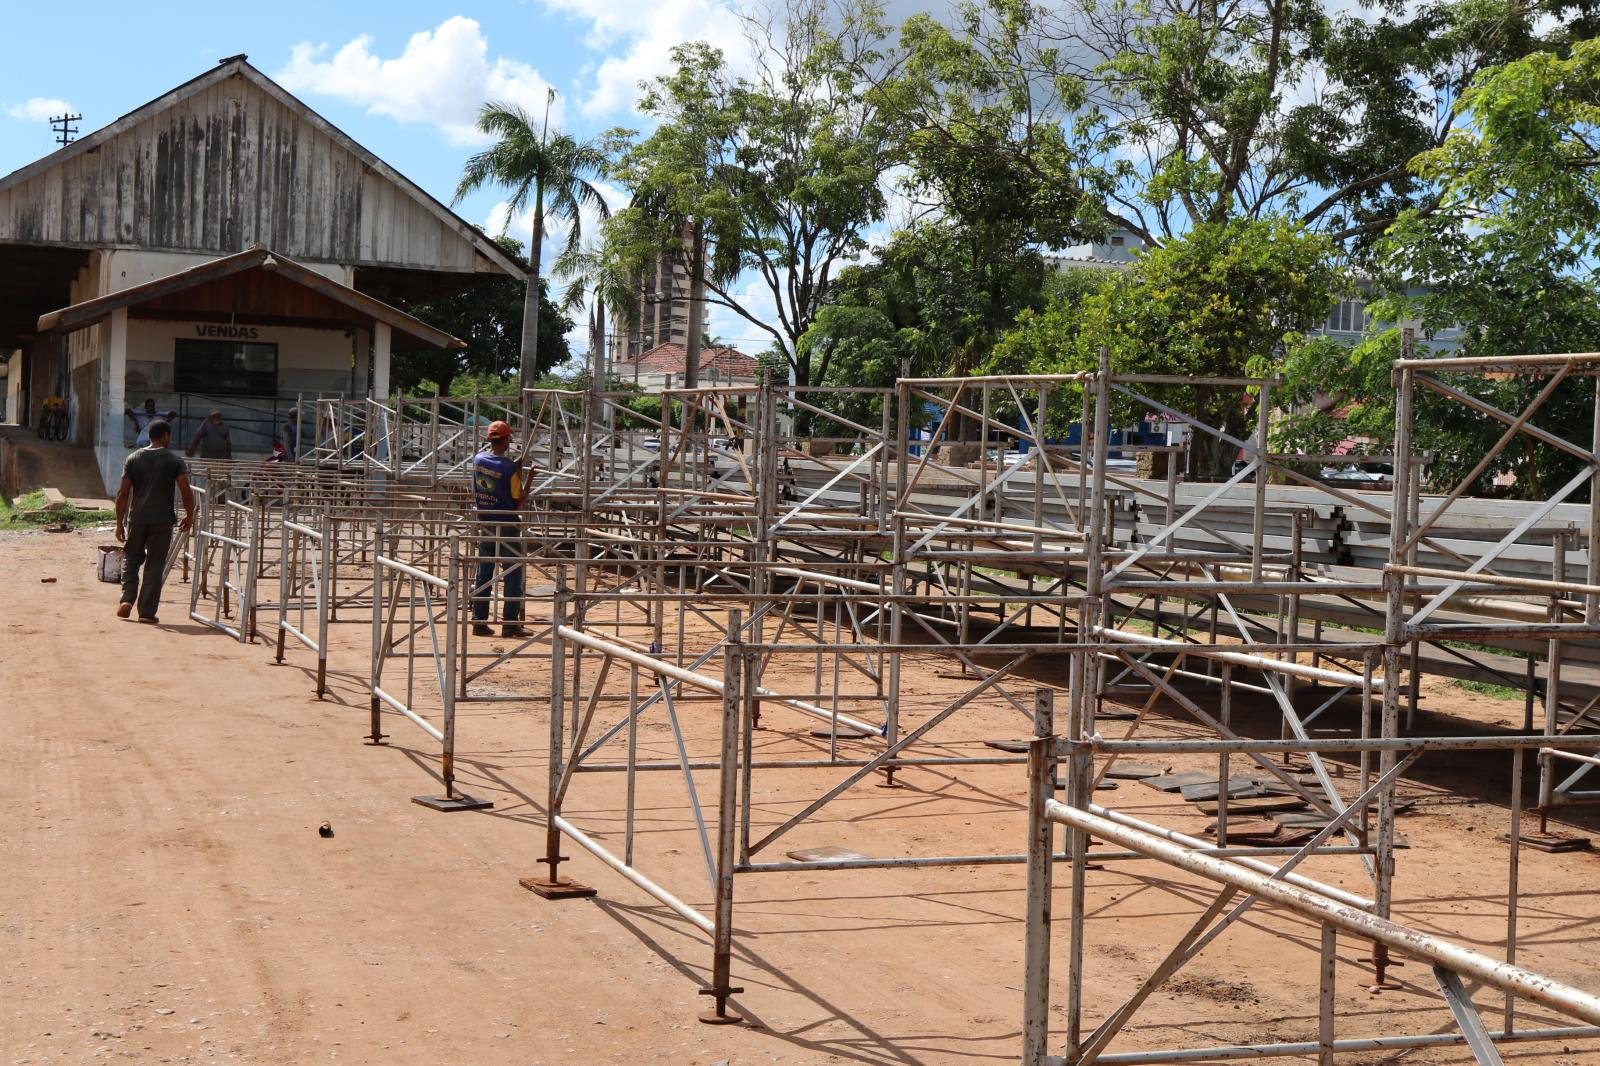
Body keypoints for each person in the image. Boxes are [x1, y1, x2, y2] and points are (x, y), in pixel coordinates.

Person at [114, 420, 196, 624]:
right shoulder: (174, 461)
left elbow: (123, 493)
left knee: (131, 558)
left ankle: (127, 598)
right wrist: (190, 515)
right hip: (162, 520)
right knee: (155, 564)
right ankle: (147, 612)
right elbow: (186, 492)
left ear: (149, 436)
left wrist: (119, 522)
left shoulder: (133, 458)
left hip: (137, 518)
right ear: (165, 436)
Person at [470, 420, 527, 638]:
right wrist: (526, 476)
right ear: (506, 440)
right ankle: (510, 623)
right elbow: (518, 499)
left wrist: (514, 467)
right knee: (512, 573)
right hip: (507, 525)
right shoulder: (510, 468)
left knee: (484, 572)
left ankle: (479, 621)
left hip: (485, 523)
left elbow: (498, 470)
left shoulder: (478, 459)